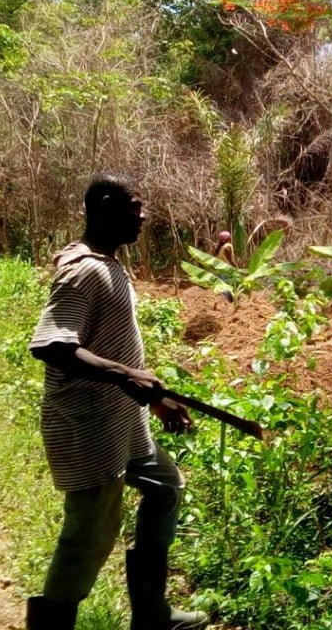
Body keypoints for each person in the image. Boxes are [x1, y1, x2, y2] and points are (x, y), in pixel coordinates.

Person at [26, 173, 208, 630]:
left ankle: (151, 613)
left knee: (165, 486)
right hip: (87, 425)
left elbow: (110, 345)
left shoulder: (108, 265)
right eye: (135, 206)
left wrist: (154, 399)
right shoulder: (83, 271)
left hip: (122, 423)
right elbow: (51, 345)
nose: (144, 216)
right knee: (89, 534)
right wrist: (127, 377)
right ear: (107, 205)